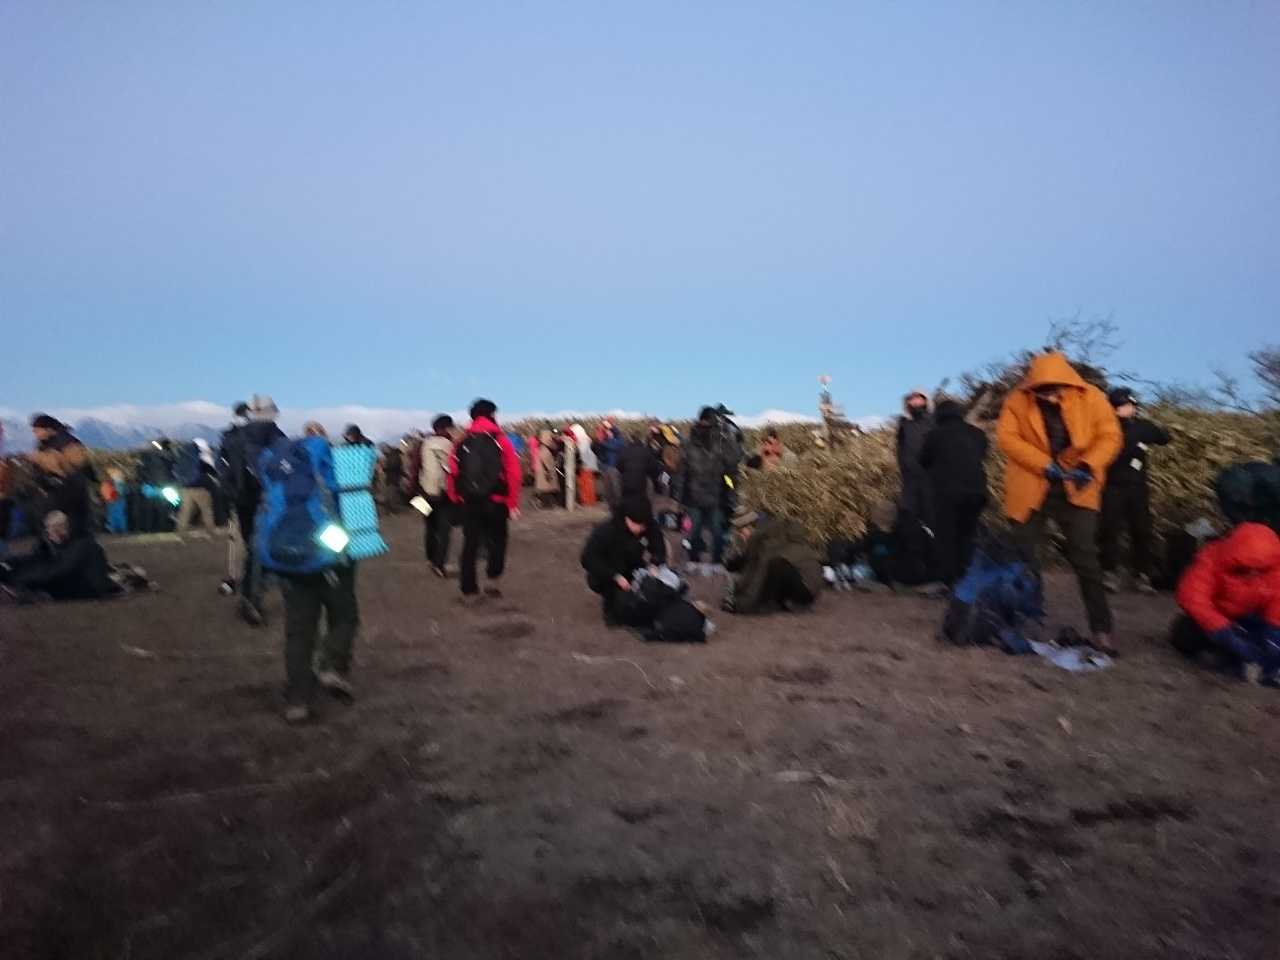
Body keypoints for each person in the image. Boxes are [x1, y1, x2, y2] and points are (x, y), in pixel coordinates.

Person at [996, 352, 1122, 654]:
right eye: (1040, 390)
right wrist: (1043, 464)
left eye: (1053, 389)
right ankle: (1025, 622)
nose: (1047, 395)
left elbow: (1110, 436)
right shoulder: (1017, 400)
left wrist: (1089, 465)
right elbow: (1007, 438)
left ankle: (1101, 630)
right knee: (1024, 556)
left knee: (1086, 557)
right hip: (1030, 483)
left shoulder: (1092, 397)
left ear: (1066, 383)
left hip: (1078, 485)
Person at [1172, 522, 1280, 683]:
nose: (1252, 573)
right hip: (1216, 617)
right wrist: (1223, 632)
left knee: (1269, 646)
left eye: (1260, 569)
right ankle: (1233, 654)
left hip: (1254, 619)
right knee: (1185, 634)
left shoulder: (1275, 570)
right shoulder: (1211, 559)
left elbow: (1277, 603)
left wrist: (1274, 633)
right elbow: (1193, 597)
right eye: (1245, 568)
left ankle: (1255, 661)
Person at [448, 399, 522, 603]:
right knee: (498, 541)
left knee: (470, 544)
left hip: (470, 501)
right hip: (497, 500)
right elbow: (513, 473)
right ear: (491, 415)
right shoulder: (500, 439)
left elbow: (452, 472)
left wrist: (456, 497)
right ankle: (492, 579)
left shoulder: (462, 441)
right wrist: (512, 503)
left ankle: (469, 590)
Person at [220, 396, 286, 626]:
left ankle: (249, 597)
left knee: (253, 547)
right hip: (267, 500)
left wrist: (232, 495)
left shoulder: (232, 437)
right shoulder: (273, 436)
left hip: (242, 500)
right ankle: (254, 597)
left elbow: (224, 469)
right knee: (265, 548)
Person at [1099, 388, 1171, 595]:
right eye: (1127, 405)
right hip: (1112, 485)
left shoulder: (1142, 426)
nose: (1131, 409)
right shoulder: (1106, 428)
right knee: (1110, 529)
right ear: (1115, 408)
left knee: (1141, 530)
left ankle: (1142, 574)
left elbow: (1164, 438)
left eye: (1132, 405)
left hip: (1138, 487)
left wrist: (1154, 433)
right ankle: (1109, 572)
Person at [920, 399, 989, 585]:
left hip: (946, 493)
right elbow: (983, 454)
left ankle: (948, 581)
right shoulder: (977, 433)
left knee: (946, 536)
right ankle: (967, 578)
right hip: (977, 491)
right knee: (968, 535)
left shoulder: (934, 435)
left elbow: (923, 460)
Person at [580, 497, 669, 625]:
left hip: (634, 566)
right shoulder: (606, 530)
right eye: (636, 524)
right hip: (609, 570)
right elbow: (587, 558)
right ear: (626, 518)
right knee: (617, 609)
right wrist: (614, 576)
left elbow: (659, 548)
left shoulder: (649, 525)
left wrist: (655, 563)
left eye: (643, 525)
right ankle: (610, 606)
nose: (640, 529)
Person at [723, 509, 823, 614]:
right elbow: (749, 569)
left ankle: (761, 606)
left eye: (743, 528)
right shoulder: (773, 538)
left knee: (775, 566)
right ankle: (770, 602)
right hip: (803, 584)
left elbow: (758, 575)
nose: (741, 533)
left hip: (806, 589)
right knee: (771, 566)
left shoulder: (774, 544)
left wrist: (743, 605)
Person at [0, 511, 114, 602]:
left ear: (61, 528)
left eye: (50, 529)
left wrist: (21, 578)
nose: (49, 533)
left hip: (87, 588)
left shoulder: (82, 545)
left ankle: (31, 591)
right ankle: (16, 581)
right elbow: (35, 558)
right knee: (39, 567)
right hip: (80, 582)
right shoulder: (71, 543)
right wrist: (10, 563)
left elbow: (61, 570)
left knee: (46, 575)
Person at [678, 408, 731, 568]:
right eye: (704, 420)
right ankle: (694, 561)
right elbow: (683, 472)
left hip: (715, 496)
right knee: (695, 531)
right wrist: (680, 498)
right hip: (695, 496)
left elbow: (729, 468)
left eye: (709, 421)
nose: (706, 425)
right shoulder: (689, 443)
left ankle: (716, 563)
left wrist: (729, 493)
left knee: (717, 532)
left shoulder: (721, 442)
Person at [28, 414, 93, 537]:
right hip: (53, 496)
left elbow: (81, 467)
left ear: (48, 429)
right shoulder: (42, 445)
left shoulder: (69, 442)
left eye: (37, 430)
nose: (35, 434)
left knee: (73, 532)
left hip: (70, 497)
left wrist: (54, 472)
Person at [418, 415, 457, 577]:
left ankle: (430, 558)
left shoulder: (424, 443)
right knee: (444, 529)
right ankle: (439, 564)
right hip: (441, 493)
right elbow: (451, 467)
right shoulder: (446, 444)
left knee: (429, 527)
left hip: (421, 493)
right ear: (446, 428)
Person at [896, 389, 934, 525]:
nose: (915, 400)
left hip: (930, 476)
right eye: (912, 398)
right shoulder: (904, 424)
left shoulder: (933, 421)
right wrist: (904, 467)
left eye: (919, 397)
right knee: (910, 518)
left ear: (926, 401)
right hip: (910, 478)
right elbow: (900, 449)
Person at [174, 439, 219, 536]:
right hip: (200, 487)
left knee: (185, 510)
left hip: (185, 488)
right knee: (206, 509)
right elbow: (212, 470)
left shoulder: (183, 455)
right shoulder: (201, 456)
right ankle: (210, 530)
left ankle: (180, 530)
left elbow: (176, 470)